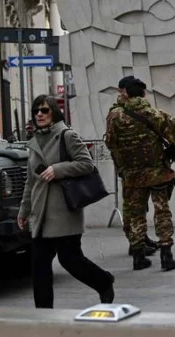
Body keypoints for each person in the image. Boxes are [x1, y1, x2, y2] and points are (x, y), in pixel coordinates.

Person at [17, 95, 115, 309]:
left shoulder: (67, 135)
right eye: (36, 111)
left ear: (54, 111)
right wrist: (24, 211)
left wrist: (58, 169)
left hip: (63, 211)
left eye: (44, 110)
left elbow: (86, 164)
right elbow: (30, 181)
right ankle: (43, 313)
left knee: (71, 260)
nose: (39, 115)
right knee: (39, 266)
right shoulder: (33, 142)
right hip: (41, 214)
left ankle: (104, 281)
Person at [106, 77, 175, 271]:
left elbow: (111, 143)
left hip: (132, 175)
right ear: (143, 94)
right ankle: (166, 255)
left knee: (135, 214)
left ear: (126, 93)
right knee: (162, 211)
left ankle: (138, 256)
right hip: (157, 173)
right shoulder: (155, 114)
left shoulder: (115, 117)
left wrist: (123, 167)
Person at [107, 76, 160, 258]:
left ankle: (141, 239)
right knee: (131, 206)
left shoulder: (129, 107)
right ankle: (134, 242)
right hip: (128, 166)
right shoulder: (118, 110)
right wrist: (122, 164)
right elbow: (111, 142)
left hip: (135, 166)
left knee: (138, 205)